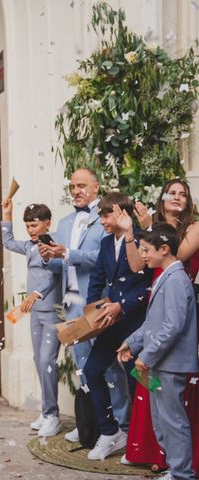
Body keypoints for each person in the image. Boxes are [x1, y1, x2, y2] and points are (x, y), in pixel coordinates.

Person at [39, 168, 131, 442]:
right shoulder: (66, 222)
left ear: (96, 186)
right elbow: (62, 263)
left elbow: (103, 258)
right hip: (71, 302)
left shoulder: (106, 218)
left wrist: (66, 252)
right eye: (72, 187)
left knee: (109, 366)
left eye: (81, 185)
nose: (76, 191)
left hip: (99, 302)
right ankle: (93, 423)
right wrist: (49, 257)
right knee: (83, 366)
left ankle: (122, 425)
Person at [114, 178, 199, 474]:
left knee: (173, 421)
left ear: (164, 249)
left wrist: (146, 357)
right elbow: (154, 322)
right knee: (162, 421)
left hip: (169, 364)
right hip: (159, 364)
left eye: (147, 250)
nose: (143, 256)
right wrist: (132, 342)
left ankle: (182, 473)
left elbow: (172, 326)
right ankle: (175, 469)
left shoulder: (176, 279)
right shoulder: (164, 277)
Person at [83, 192, 152, 461]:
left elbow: (147, 287)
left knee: (142, 380)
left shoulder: (144, 242)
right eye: (100, 214)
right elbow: (97, 278)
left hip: (138, 324)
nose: (101, 220)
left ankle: (142, 439)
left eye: (106, 214)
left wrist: (121, 306)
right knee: (91, 370)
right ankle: (111, 432)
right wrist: (91, 314)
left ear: (123, 214)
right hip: (110, 322)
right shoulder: (104, 243)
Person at [0, 200, 63, 436]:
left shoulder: (54, 243)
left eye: (34, 225)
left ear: (47, 223)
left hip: (53, 311)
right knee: (39, 360)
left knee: (47, 362)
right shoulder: (28, 245)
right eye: (27, 225)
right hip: (35, 312)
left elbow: (56, 271)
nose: (30, 230)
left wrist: (37, 294)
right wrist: (7, 213)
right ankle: (47, 412)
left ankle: (53, 415)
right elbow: (7, 241)